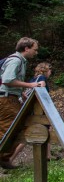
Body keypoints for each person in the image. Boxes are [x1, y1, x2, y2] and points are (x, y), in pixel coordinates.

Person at [0, 37, 44, 169]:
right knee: (9, 129)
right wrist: (30, 85)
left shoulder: (20, 61)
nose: (36, 53)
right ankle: (3, 157)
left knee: (19, 126)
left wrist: (22, 94)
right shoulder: (15, 60)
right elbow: (7, 80)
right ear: (26, 48)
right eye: (34, 50)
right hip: (6, 100)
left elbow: (11, 82)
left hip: (12, 98)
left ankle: (4, 157)